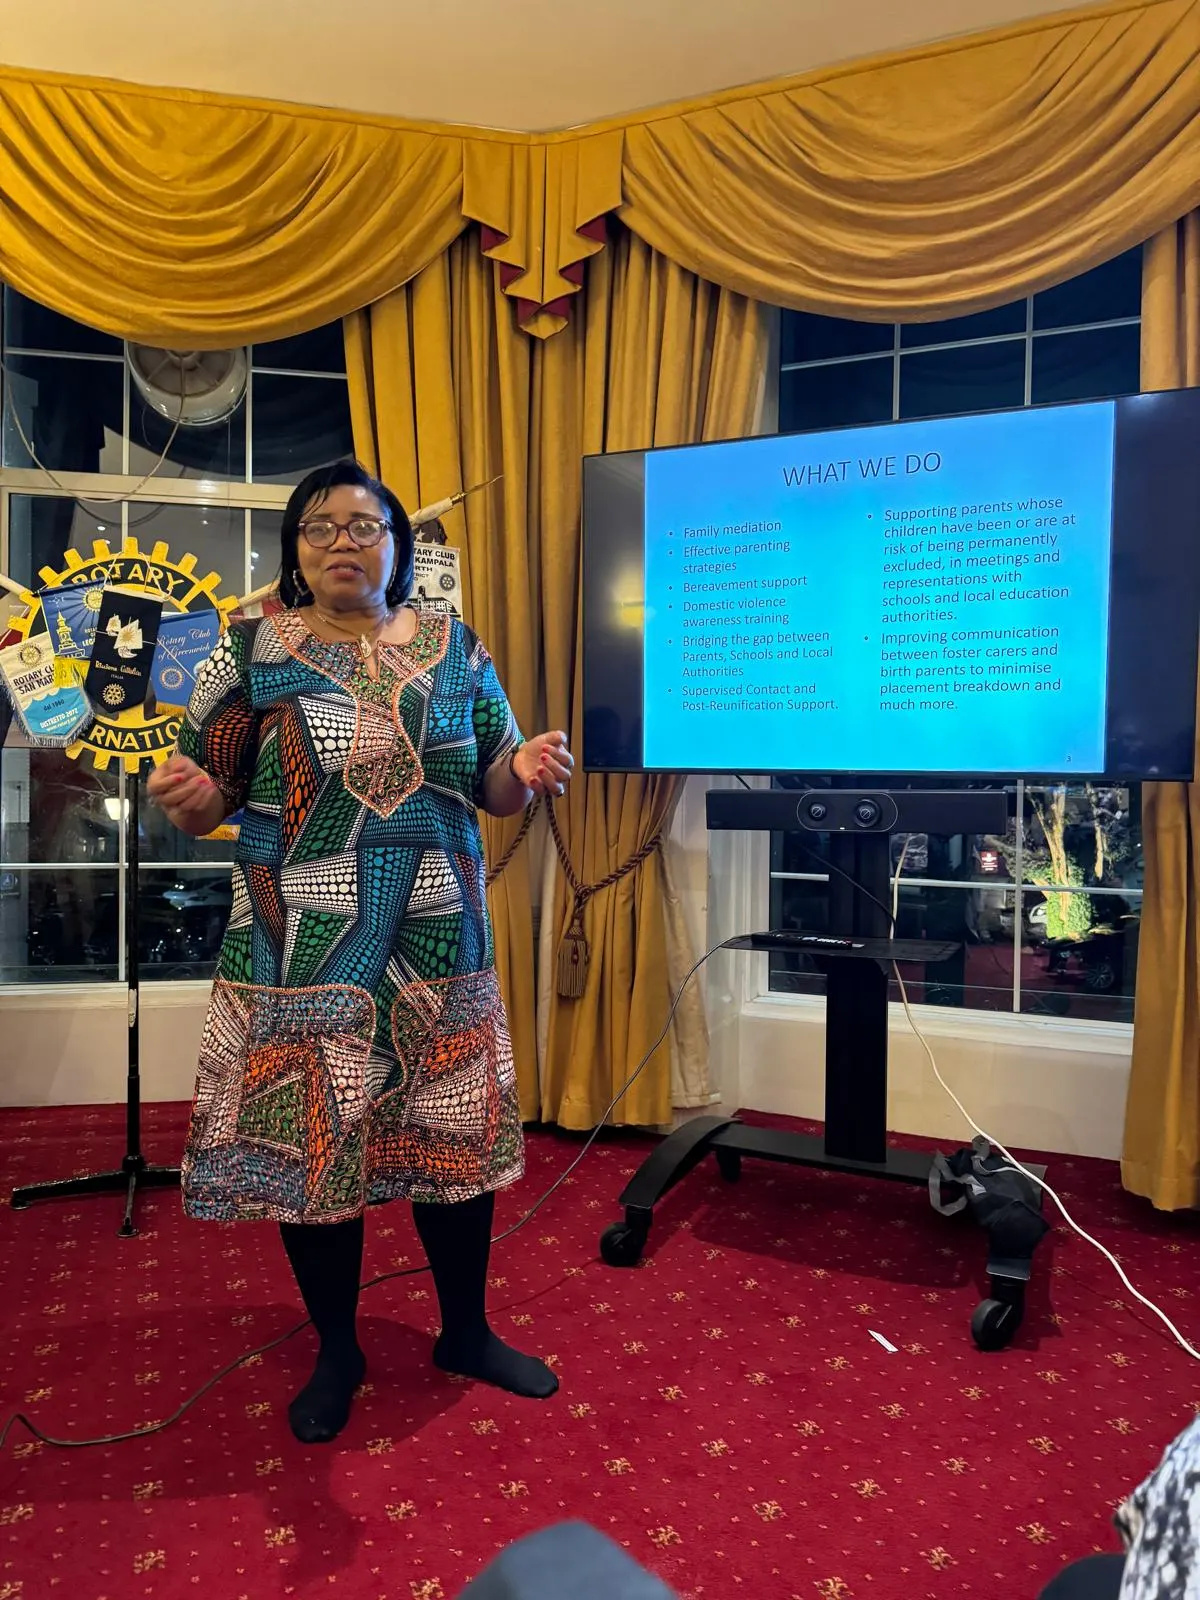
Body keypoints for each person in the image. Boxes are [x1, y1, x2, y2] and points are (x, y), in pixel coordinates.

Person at [148, 460, 574, 1445]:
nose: (342, 540)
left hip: (441, 947)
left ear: (398, 543)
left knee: (450, 1134)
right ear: (297, 549)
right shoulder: (252, 649)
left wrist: (524, 766)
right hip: (301, 947)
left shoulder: (455, 646)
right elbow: (210, 792)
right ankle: (337, 1349)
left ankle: (465, 1330)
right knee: (316, 1143)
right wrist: (195, 800)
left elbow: (496, 784)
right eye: (319, 526)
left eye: (362, 523)